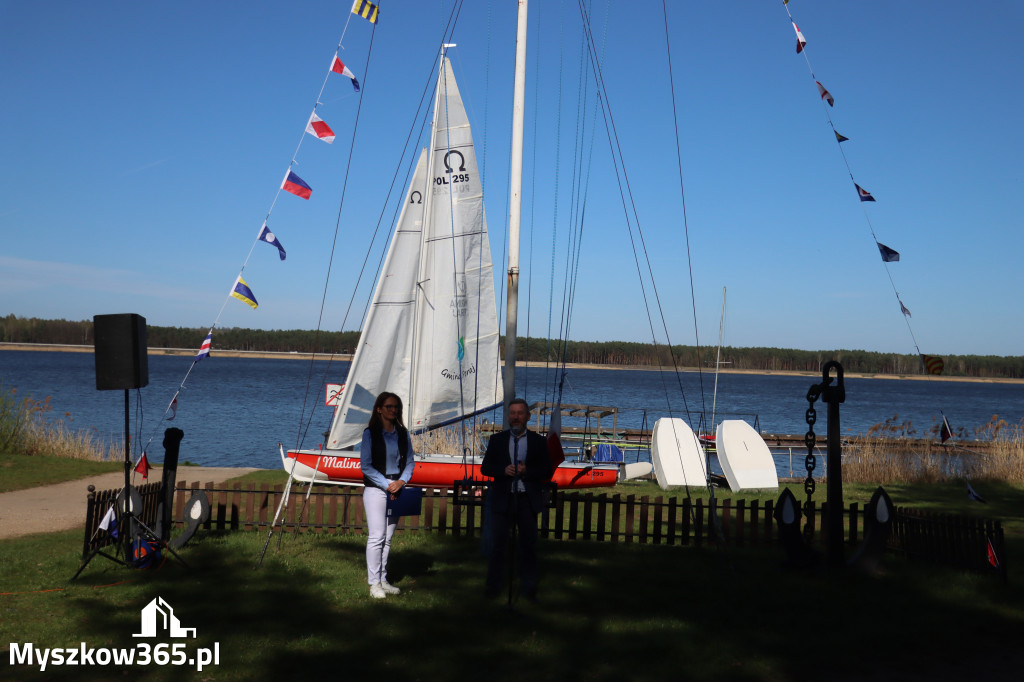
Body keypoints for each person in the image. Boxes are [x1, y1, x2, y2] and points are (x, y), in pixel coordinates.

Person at [480, 397, 552, 601]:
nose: (516, 417)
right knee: (498, 546)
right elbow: (485, 468)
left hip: (527, 500)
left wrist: (527, 471)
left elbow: (547, 470)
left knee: (528, 546)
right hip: (503, 498)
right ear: (508, 416)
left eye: (520, 413)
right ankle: (493, 589)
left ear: (528, 417)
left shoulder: (538, 442)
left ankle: (528, 590)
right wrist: (503, 470)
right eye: (512, 413)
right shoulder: (497, 440)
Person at [360, 391, 416, 599]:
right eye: (390, 406)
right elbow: (365, 466)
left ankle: (383, 579)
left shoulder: (403, 433)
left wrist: (401, 481)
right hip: (376, 488)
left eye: (396, 407)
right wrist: (387, 485)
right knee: (377, 536)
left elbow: (410, 461)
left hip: (397, 487)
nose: (394, 410)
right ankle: (374, 583)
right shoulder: (370, 433)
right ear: (379, 409)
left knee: (389, 538)